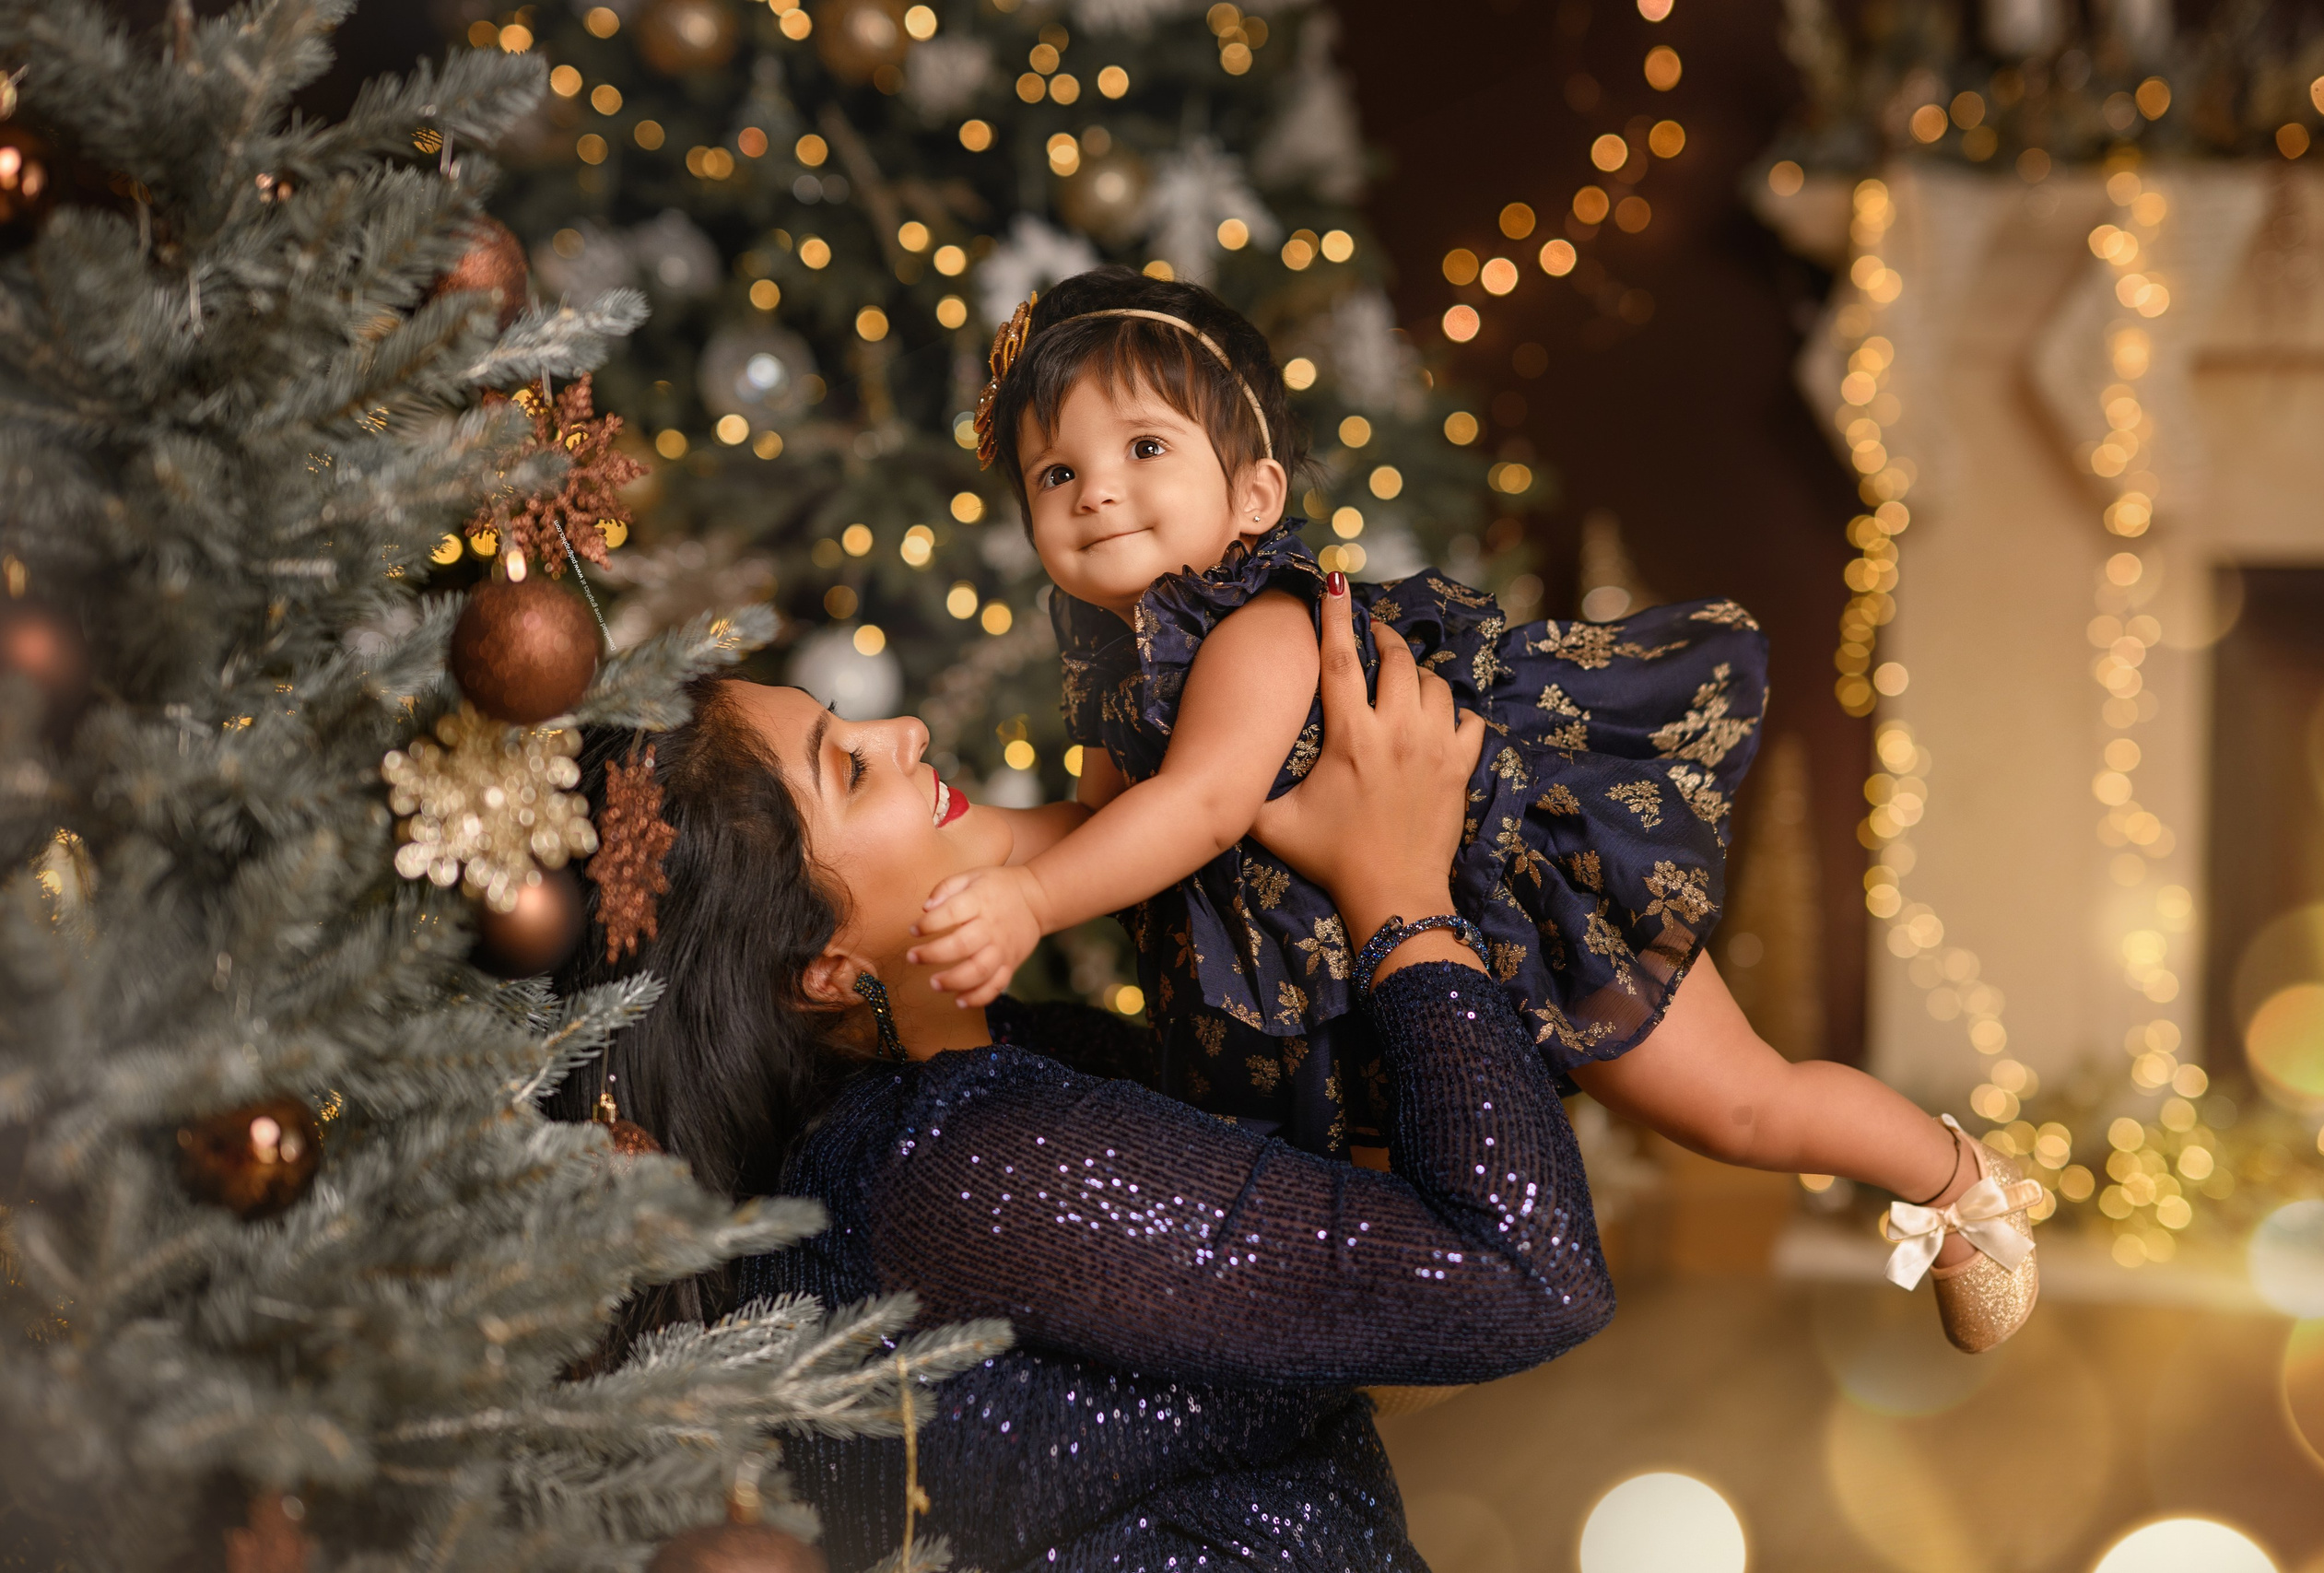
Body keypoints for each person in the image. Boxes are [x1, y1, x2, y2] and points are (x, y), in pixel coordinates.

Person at [904, 267, 2040, 1356]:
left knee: (1735, 1108)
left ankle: (1959, 1184)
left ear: (1254, 493)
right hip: (1374, 958)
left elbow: (1197, 810)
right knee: (1389, 1201)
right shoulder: (1118, 659)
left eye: (1143, 448)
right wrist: (988, 844)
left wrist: (1030, 902)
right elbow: (1105, 820)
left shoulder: (1262, 628)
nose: (1094, 488)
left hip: (1520, 896)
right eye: (1055, 474)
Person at [555, 600, 1615, 1572]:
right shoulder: (957, 1165)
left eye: (852, 725)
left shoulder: (989, 1073)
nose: (907, 732)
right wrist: (1400, 896)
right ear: (821, 968)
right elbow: (1526, 1272)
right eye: (852, 771)